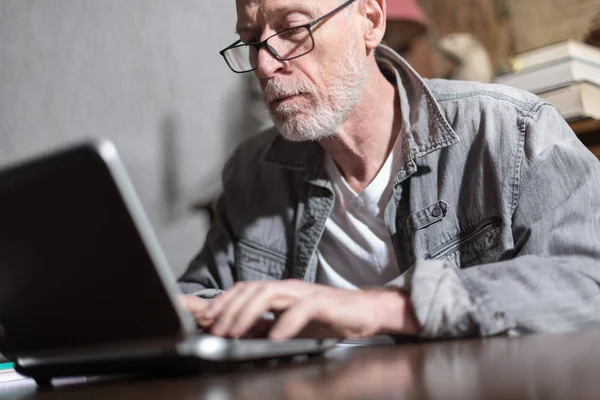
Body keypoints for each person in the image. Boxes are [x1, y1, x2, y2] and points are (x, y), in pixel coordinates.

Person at [178, 0, 600, 341]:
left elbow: (587, 281)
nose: (265, 66)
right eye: (252, 41)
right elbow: (195, 294)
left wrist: (385, 307)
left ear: (371, 20)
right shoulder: (253, 170)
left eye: (292, 29)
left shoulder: (511, 131)